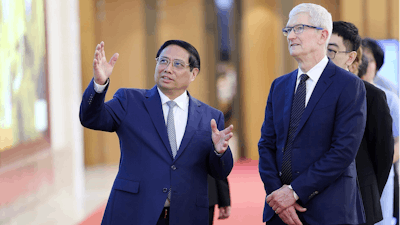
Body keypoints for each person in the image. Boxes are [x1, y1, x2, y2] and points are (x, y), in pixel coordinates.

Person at [79, 40, 234, 225]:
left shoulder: (210, 116)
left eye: (177, 64)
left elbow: (221, 171)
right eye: (163, 61)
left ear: (193, 73)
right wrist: (99, 84)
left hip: (188, 215)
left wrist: (219, 152)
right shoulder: (129, 101)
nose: (168, 69)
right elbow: (91, 118)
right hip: (134, 212)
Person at [258, 3, 367, 225]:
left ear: (322, 35)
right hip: (280, 212)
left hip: (328, 209)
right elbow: (267, 145)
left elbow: (343, 150)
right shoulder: (279, 85)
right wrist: (278, 196)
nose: (290, 36)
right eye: (288, 30)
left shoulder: (348, 85)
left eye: (298, 28)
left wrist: (295, 191)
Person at [328, 21, 393, 225]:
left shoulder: (373, 96)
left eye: (332, 50)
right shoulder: (309, 93)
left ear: (351, 57)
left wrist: (368, 192)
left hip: (359, 201)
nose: (325, 57)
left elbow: (383, 155)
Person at [361, 38, 400, 225]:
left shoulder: (389, 97)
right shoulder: (346, 93)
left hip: (381, 174)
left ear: (376, 64)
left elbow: (399, 140)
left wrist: (378, 163)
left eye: (366, 58)